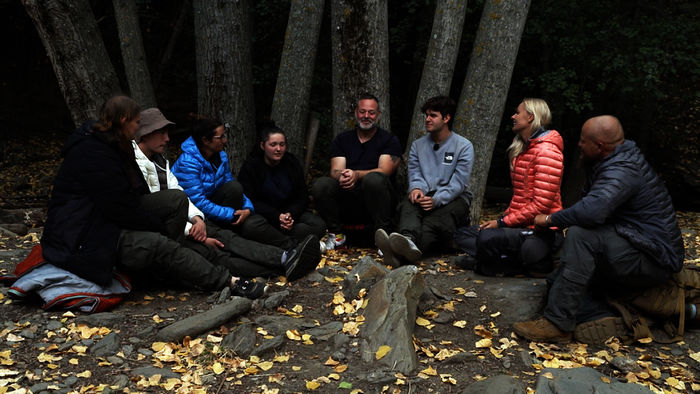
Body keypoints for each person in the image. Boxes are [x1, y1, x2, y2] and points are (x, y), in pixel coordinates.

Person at [40, 96, 265, 299]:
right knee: (160, 244)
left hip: (106, 218)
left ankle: (170, 264)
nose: (138, 128)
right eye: (137, 123)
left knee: (175, 200)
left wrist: (184, 221)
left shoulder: (115, 145)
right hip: (84, 232)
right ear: (125, 120)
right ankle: (227, 281)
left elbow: (136, 195)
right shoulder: (92, 152)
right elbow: (117, 207)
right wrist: (156, 228)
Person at [512, 115, 685, 343]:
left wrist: (549, 219)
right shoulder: (613, 160)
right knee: (557, 282)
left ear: (600, 146)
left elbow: (592, 211)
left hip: (653, 257)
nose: (579, 145)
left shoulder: (622, 170)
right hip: (634, 244)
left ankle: (558, 325)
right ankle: (620, 316)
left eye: (584, 141)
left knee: (580, 236)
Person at [133, 108, 321, 282]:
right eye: (162, 134)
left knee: (230, 229)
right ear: (146, 134)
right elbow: (170, 206)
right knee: (219, 254)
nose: (167, 139)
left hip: (195, 219)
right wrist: (196, 228)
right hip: (173, 232)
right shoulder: (147, 164)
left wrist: (203, 218)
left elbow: (182, 194)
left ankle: (285, 257)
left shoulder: (160, 161)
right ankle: (280, 265)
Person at [454, 98, 564, 276]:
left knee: (487, 238)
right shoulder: (523, 148)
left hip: (540, 230)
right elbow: (520, 197)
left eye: (517, 112)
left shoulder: (547, 152)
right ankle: (497, 258)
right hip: (517, 226)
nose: (513, 116)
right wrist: (504, 221)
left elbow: (541, 206)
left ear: (530, 117)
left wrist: (502, 223)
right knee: (462, 234)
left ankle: (491, 263)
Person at [171, 117, 297, 250]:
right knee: (243, 227)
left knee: (251, 218)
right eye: (221, 137)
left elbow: (230, 183)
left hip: (220, 209)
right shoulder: (188, 163)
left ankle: (292, 246)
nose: (225, 141)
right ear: (205, 140)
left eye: (224, 135)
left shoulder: (220, 157)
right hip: (198, 217)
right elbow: (198, 203)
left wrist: (247, 209)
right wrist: (232, 215)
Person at [375, 96, 473, 266]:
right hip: (425, 195)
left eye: (433, 115)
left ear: (446, 118)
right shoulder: (418, 145)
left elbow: (458, 183)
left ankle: (399, 252)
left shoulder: (463, 146)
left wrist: (436, 199)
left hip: (454, 199)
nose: (427, 119)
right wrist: (416, 189)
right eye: (426, 115)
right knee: (408, 204)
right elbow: (415, 174)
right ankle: (407, 240)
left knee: (431, 223)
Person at [311, 93, 402, 249]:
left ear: (378, 115)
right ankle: (337, 236)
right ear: (355, 113)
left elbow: (384, 170)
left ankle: (383, 239)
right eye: (362, 111)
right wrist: (344, 175)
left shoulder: (389, 140)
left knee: (374, 179)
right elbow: (336, 170)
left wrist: (357, 174)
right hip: (348, 195)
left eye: (371, 112)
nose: (366, 116)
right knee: (322, 185)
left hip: (378, 198)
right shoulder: (343, 139)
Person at [238, 123, 325, 243]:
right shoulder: (252, 166)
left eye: (282, 145)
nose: (278, 149)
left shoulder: (291, 162)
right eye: (273, 145)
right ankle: (289, 244)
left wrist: (290, 215)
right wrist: (277, 216)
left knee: (318, 225)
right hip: (265, 217)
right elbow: (249, 200)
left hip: (290, 217)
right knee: (250, 226)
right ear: (263, 146)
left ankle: (280, 242)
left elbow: (302, 197)